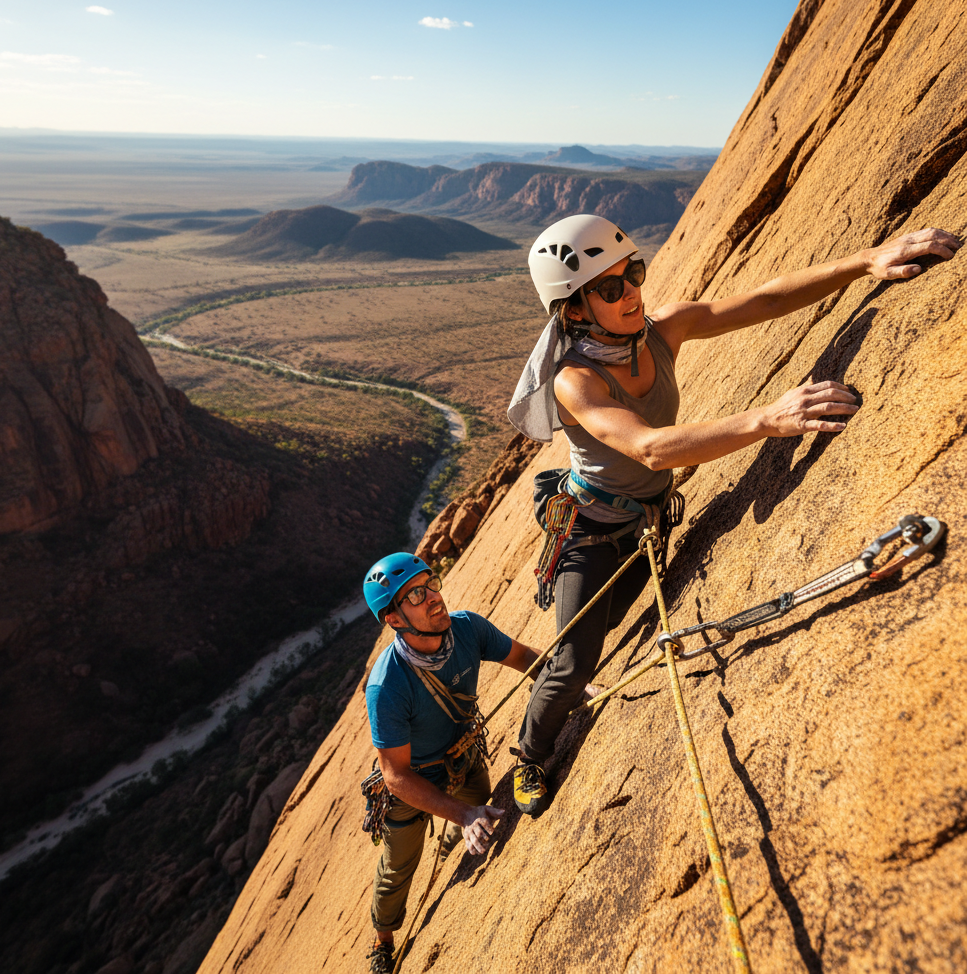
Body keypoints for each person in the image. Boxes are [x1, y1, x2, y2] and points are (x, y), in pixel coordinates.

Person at [506, 214, 960, 814]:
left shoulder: (660, 330)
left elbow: (757, 301)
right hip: (591, 532)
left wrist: (867, 260)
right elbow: (647, 446)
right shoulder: (575, 381)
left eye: (633, 273)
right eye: (611, 288)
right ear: (574, 310)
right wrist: (766, 420)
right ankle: (529, 757)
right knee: (572, 660)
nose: (633, 292)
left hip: (645, 520)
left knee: (610, 621)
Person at [362, 551, 541, 974]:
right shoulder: (388, 685)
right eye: (416, 595)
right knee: (398, 867)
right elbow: (396, 776)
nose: (434, 598)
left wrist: (570, 681)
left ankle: (448, 838)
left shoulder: (466, 628)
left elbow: (523, 657)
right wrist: (462, 815)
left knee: (482, 799)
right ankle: (381, 944)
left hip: (461, 759)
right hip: (413, 783)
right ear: (394, 619)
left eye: (431, 584)